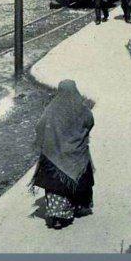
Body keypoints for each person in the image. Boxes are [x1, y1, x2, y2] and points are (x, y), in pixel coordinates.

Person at [31, 80, 95, 230]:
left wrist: (48, 140)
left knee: (55, 186)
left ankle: (58, 215)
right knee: (80, 179)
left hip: (55, 156)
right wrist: (79, 136)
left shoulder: (52, 109)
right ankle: (79, 206)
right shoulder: (82, 109)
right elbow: (90, 122)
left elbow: (39, 126)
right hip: (77, 154)